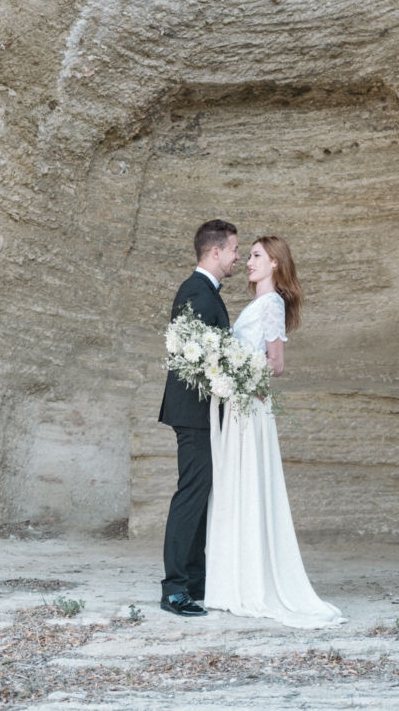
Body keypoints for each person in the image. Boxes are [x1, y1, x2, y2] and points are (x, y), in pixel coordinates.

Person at [204, 236, 345, 628]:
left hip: (250, 406)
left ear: (275, 265)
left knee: (248, 485)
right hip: (241, 404)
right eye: (246, 255)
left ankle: (251, 583)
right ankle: (234, 581)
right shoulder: (258, 303)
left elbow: (276, 365)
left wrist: (241, 378)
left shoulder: (271, 303)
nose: (248, 261)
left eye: (256, 256)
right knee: (236, 485)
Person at [158, 218, 239, 617]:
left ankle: (193, 579)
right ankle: (174, 589)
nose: (237, 257)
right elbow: (191, 359)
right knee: (190, 497)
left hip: (202, 414)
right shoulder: (196, 291)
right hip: (194, 415)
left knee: (199, 496)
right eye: (235, 250)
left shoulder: (203, 291)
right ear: (215, 251)